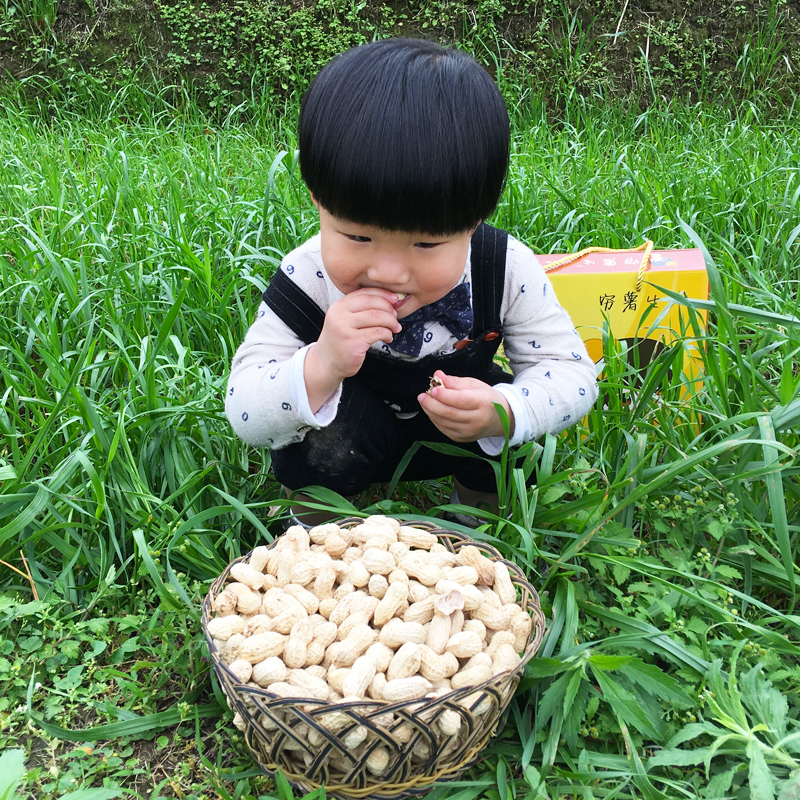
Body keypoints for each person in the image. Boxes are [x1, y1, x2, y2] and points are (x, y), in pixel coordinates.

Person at [225, 38, 598, 526]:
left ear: (476, 220)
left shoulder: (500, 266)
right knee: (316, 445)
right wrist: (321, 364)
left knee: (514, 432)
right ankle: (315, 534)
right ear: (318, 200)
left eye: (425, 245)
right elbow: (244, 407)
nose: (387, 271)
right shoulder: (308, 276)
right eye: (357, 236)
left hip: (459, 432)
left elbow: (571, 372)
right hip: (350, 433)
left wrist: (504, 411)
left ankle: (481, 529)